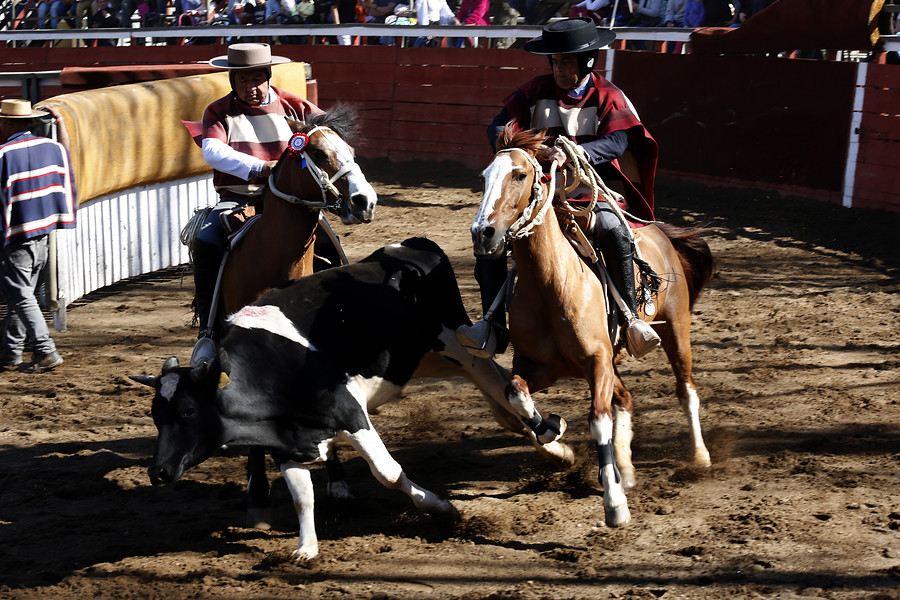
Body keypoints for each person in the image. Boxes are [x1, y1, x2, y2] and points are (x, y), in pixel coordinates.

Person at [457, 18, 662, 360]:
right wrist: (521, 149)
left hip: (590, 192)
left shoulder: (608, 94)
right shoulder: (535, 90)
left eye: (566, 61)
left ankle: (630, 321)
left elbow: (619, 140)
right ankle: (492, 326)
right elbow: (498, 126)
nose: (558, 68)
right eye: (554, 61)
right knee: (488, 237)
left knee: (613, 230)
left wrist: (579, 152)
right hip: (539, 195)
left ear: (587, 61)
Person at [190, 43, 323, 342]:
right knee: (206, 241)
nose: (251, 87)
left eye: (257, 79)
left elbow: (327, 137)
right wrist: (262, 168)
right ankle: (208, 332)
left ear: (268, 76)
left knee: (328, 240)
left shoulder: (296, 106)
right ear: (233, 81)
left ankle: (333, 319)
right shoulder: (218, 111)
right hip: (237, 201)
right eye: (243, 80)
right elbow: (212, 151)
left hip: (292, 202)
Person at [0, 99, 77, 373]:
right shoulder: (52, 147)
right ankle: (10, 351)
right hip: (43, 232)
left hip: (17, 236)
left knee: (20, 294)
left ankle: (45, 350)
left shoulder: (4, 153)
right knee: (22, 293)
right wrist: (61, 122)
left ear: (9, 123)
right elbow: (67, 156)